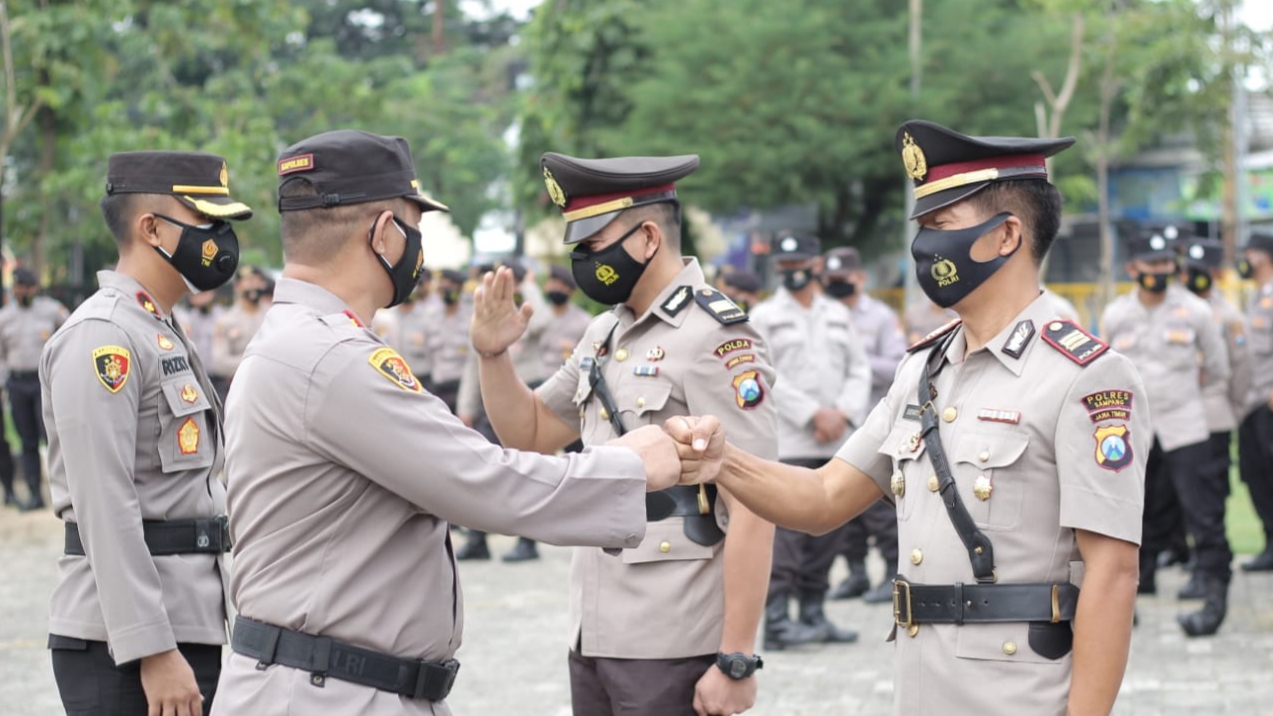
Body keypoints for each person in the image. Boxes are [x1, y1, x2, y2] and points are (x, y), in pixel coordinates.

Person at [666, 120, 1148, 716]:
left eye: (940, 227)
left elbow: (1113, 571)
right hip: (922, 686)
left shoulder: (1085, 376)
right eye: (921, 228)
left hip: (1020, 694)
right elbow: (822, 498)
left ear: (1006, 237)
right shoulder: (923, 368)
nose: (923, 247)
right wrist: (724, 462)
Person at [212, 130, 684, 716]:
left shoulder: (303, 342)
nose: (417, 248)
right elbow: (481, 481)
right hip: (326, 692)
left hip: (332, 682)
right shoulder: (331, 357)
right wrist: (632, 468)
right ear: (384, 233)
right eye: (414, 230)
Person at [470, 151, 777, 716]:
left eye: (593, 244)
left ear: (648, 238)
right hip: (595, 627)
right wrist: (494, 355)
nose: (583, 260)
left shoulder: (715, 334)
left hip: (674, 634)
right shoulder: (604, 332)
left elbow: (756, 504)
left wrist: (735, 658)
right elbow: (532, 431)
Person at [42, 150, 250, 715]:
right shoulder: (102, 337)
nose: (220, 239)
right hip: (126, 644)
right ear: (151, 227)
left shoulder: (156, 327)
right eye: (206, 223)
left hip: (185, 622)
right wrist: (152, 648)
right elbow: (103, 505)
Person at [1100, 228, 1229, 636]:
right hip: (1134, 429)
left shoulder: (1195, 311)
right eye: (1151, 265)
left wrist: (1187, 397)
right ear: (1133, 268)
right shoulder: (1117, 314)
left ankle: (1213, 595)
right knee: (1130, 514)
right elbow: (1105, 370)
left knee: (1202, 513)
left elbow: (1219, 368)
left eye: (1166, 264)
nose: (1160, 271)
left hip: (1185, 425)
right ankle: (1128, 594)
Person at [749, 232, 868, 649]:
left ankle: (814, 613)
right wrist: (812, 414)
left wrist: (844, 414)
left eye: (798, 265)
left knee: (829, 532)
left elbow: (859, 369)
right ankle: (778, 621)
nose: (790, 273)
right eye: (783, 268)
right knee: (788, 536)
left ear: (816, 265)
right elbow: (761, 374)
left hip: (836, 443)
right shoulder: (764, 316)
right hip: (791, 442)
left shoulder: (836, 313)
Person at [453, 258, 554, 561]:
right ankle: (478, 538)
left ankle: (528, 541)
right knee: (483, 471)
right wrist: (466, 407)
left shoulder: (527, 312)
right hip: (493, 403)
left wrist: (528, 285)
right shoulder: (487, 313)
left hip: (530, 397)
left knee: (528, 474)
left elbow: (543, 320)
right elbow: (475, 361)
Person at [821, 247, 905, 604]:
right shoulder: (822, 315)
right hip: (835, 424)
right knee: (844, 509)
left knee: (877, 508)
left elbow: (897, 364)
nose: (839, 286)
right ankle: (855, 573)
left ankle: (890, 574)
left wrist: (855, 363)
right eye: (832, 280)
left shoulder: (881, 317)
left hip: (872, 421)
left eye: (845, 280)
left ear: (860, 278)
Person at [1173, 236, 1251, 598]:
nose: (1195, 277)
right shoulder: (1177, 310)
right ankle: (1199, 563)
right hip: (1182, 419)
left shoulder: (1229, 316)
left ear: (1216, 273)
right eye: (1190, 270)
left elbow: (1240, 369)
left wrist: (1234, 408)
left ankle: (1213, 570)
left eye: (1202, 271)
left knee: (1211, 500)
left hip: (1215, 419)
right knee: (1189, 499)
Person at [0, 267, 68, 510]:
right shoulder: (4, 317)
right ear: (15, 288)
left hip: (43, 383)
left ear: (35, 288)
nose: (24, 291)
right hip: (18, 384)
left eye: (29, 287)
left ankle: (65, 493)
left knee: (52, 436)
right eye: (20, 287)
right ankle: (34, 494)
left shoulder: (51, 310)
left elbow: (70, 333)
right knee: (27, 440)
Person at [1237, 231, 1273, 571]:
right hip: (1252, 403)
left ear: (1262, 256)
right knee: (1254, 473)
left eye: (1249, 252)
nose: (1245, 260)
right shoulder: (1256, 297)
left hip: (1269, 402)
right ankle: (1270, 542)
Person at [210, 265, 269, 401]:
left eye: (257, 281)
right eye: (249, 281)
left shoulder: (271, 315)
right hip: (239, 390)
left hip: (268, 388)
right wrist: (257, 362)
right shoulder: (226, 321)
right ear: (237, 287)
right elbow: (220, 363)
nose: (253, 286)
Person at [423, 268, 471, 414]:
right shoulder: (432, 316)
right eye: (443, 287)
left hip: (460, 387)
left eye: (450, 286)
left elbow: (472, 361)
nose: (446, 291)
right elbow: (429, 352)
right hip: (437, 385)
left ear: (460, 288)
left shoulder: (471, 317)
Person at [174, 287, 223, 367]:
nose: (201, 299)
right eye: (195, 295)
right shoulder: (187, 319)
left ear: (213, 293)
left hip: (220, 373)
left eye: (204, 294)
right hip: (197, 372)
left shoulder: (223, 317)